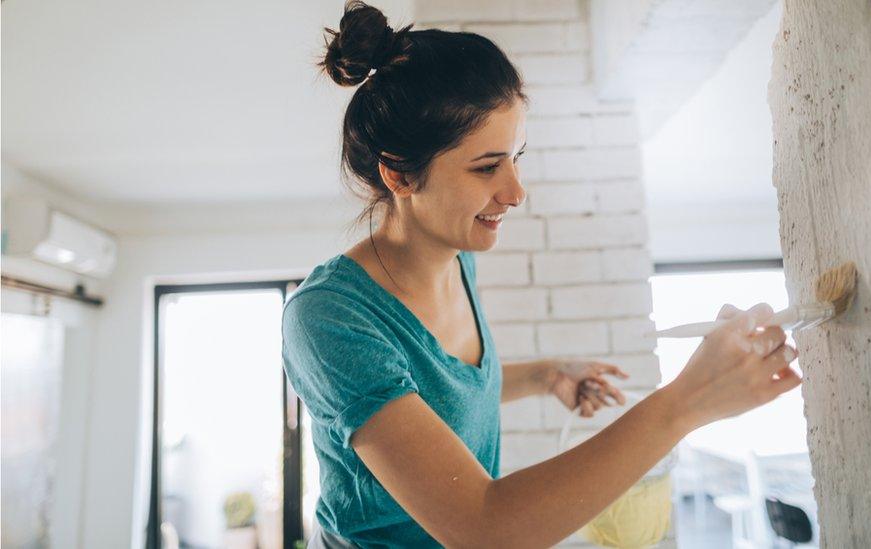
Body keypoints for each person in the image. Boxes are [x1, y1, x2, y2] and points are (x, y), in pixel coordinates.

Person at [281, 2, 801, 547]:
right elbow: (484, 525)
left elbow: (435, 392)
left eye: (515, 157)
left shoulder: (459, 260)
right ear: (399, 174)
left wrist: (545, 375)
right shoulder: (328, 319)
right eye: (486, 167)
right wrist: (687, 402)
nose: (515, 192)